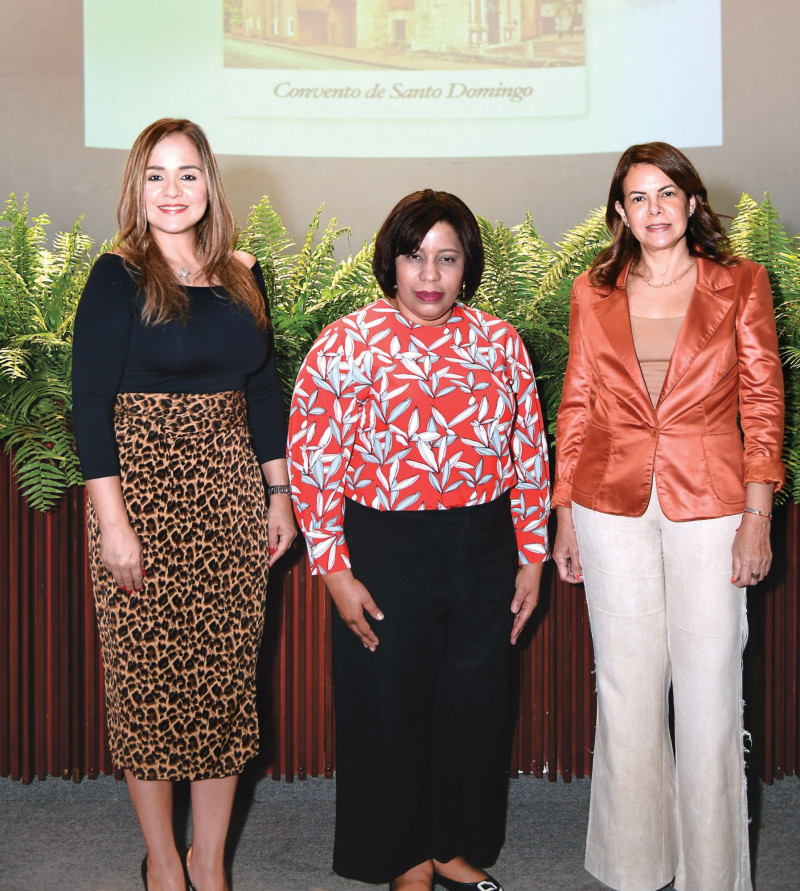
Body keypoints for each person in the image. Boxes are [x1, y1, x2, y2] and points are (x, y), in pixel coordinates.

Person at [287, 190, 551, 891]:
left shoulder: (500, 341)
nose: (429, 274)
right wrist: (334, 570)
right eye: (414, 255)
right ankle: (404, 858)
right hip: (385, 548)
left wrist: (532, 556)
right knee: (390, 705)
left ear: (468, 267)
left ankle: (448, 844)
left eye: (447, 257)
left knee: (471, 705)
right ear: (391, 262)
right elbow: (313, 462)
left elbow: (529, 454)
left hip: (484, 546)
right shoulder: (345, 342)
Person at [552, 142, 785, 891]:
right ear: (619, 211)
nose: (653, 210)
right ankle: (634, 870)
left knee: (712, 687)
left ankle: (714, 876)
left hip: (713, 501)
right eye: (637, 197)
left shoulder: (742, 284)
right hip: (606, 500)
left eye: (666, 194)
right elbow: (578, 402)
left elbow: (763, 403)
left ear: (691, 202)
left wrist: (758, 515)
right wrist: (563, 513)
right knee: (626, 685)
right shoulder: (594, 290)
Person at [72, 118, 296, 891]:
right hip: (141, 500)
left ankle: (210, 861)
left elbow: (261, 386)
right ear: (138, 186)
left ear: (210, 184)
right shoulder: (117, 276)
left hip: (231, 499)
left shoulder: (242, 270)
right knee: (147, 685)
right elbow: (89, 402)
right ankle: (163, 862)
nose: (173, 191)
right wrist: (113, 523)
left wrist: (279, 492)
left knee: (225, 685)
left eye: (189, 173)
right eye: (158, 175)